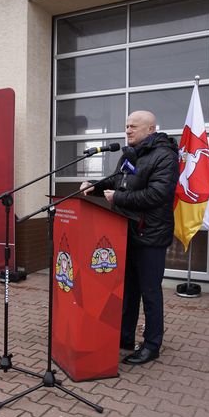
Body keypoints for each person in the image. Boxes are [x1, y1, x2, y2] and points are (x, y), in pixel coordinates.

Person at [81, 110, 179, 365]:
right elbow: (117, 181)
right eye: (126, 126)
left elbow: (157, 195)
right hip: (125, 232)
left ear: (150, 130)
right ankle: (124, 337)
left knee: (149, 292)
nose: (127, 130)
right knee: (127, 290)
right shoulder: (131, 154)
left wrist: (119, 198)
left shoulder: (165, 156)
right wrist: (96, 186)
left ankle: (152, 344)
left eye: (133, 126)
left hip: (150, 235)